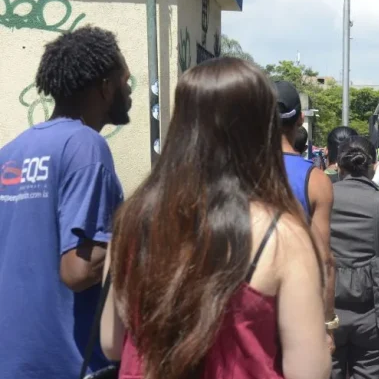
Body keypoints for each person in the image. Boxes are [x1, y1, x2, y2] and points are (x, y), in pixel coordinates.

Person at [99, 57, 330, 379]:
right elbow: (308, 372)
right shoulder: (282, 236)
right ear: (262, 129)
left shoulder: (132, 221)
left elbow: (111, 343)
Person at [0, 26, 131, 378]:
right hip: (70, 363)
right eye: (125, 80)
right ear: (106, 86)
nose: (129, 90)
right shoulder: (86, 146)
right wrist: (139, 236)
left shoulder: (10, 153)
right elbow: (77, 270)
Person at [329, 136, 379, 379]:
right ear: (373, 165)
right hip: (374, 313)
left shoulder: (323, 197)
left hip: (327, 312)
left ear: (338, 165)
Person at [274, 80, 338, 351]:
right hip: (297, 312)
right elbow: (324, 260)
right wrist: (327, 324)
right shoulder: (315, 180)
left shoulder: (237, 171)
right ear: (300, 119)